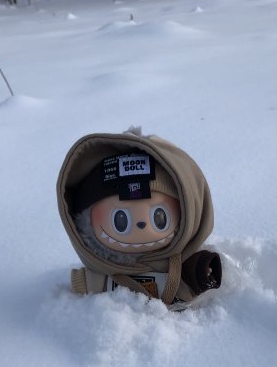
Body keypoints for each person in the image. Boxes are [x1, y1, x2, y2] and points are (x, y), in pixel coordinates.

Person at [57, 129, 222, 308]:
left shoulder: (176, 268)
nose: (141, 224)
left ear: (189, 214)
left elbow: (187, 285)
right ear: (85, 223)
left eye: (159, 217)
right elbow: (88, 283)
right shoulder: (105, 276)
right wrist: (83, 283)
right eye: (120, 220)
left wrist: (198, 272)